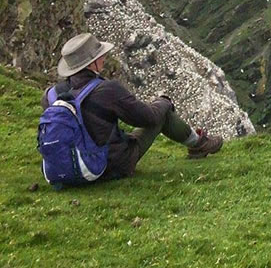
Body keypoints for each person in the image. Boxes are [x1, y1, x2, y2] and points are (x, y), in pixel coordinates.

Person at [40, 33, 223, 181]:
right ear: (92, 63)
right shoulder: (107, 90)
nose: (104, 57)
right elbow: (148, 118)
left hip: (66, 168)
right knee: (162, 113)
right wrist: (164, 102)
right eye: (100, 56)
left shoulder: (50, 95)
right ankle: (198, 145)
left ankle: (198, 144)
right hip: (110, 166)